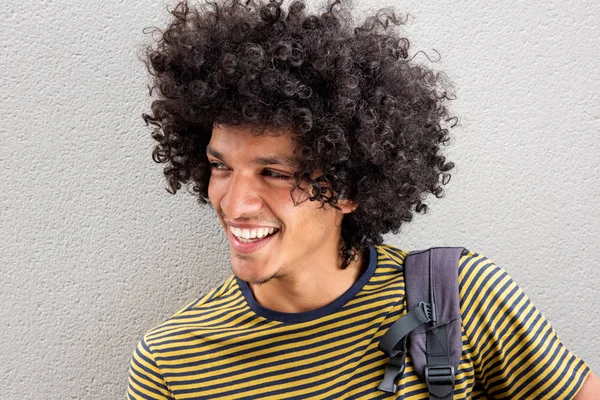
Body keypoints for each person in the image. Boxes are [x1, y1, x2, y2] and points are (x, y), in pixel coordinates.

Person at [127, 0, 600, 398]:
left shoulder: (457, 297)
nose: (235, 202)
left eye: (274, 173)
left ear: (348, 189)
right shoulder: (171, 363)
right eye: (221, 167)